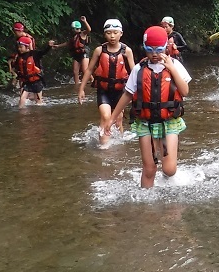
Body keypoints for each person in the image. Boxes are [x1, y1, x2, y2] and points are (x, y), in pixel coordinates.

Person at [112, 26, 192, 188]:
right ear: (144, 48)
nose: (154, 54)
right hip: (145, 122)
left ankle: (166, 172)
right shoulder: (138, 69)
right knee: (149, 168)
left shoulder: (175, 65)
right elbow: (127, 95)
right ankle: (146, 207)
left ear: (166, 47)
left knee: (169, 169)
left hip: (169, 121)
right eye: (150, 50)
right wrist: (112, 118)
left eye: (159, 50)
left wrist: (171, 68)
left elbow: (185, 91)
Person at [78, 19, 136, 147]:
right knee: (106, 116)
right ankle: (103, 147)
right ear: (105, 34)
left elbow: (134, 73)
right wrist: (81, 89)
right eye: (109, 33)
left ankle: (120, 144)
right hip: (103, 90)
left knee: (118, 120)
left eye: (115, 32)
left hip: (121, 91)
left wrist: (136, 93)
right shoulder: (99, 50)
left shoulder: (127, 51)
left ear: (121, 33)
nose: (112, 36)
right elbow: (89, 70)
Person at [14, 35, 56, 107]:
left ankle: (38, 115)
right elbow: (18, 69)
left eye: (21, 47)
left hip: (37, 81)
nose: (19, 49)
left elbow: (43, 52)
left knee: (38, 103)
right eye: (19, 47)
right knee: (22, 100)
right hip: (27, 82)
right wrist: (17, 78)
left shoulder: (34, 54)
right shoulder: (19, 57)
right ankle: (21, 114)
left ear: (27, 47)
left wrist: (49, 46)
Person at [56, 17, 91, 84]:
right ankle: (77, 85)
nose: (72, 30)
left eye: (73, 29)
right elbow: (67, 43)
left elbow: (89, 29)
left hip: (84, 53)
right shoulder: (73, 36)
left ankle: (92, 80)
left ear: (76, 28)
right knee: (75, 71)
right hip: (77, 54)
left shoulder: (82, 34)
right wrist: (58, 46)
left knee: (84, 70)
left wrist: (85, 21)